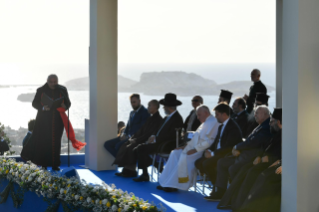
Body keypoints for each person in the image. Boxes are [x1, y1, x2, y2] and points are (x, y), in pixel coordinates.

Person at [218, 108, 282, 210]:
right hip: (266, 162)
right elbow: (267, 148)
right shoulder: (276, 133)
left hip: (275, 165)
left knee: (257, 175)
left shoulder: (283, 135)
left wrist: (272, 160)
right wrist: (260, 157)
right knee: (245, 170)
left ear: (279, 122)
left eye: (272, 121)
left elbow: (283, 154)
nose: (270, 124)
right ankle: (236, 204)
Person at [205, 106, 272, 201]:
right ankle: (220, 192)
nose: (255, 115)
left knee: (233, 168)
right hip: (244, 154)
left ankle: (236, 195)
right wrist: (238, 148)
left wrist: (237, 147)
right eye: (255, 113)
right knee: (222, 162)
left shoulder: (266, 127)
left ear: (265, 115)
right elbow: (250, 141)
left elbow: (254, 142)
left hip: (252, 157)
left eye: (257, 113)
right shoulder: (260, 126)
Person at [157, 105, 219, 192]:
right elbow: (195, 138)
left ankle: (172, 185)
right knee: (174, 153)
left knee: (184, 157)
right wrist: (185, 146)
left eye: (199, 115)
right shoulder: (206, 122)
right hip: (193, 148)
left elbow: (210, 141)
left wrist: (195, 149)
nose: (198, 117)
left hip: (201, 151)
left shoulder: (213, 122)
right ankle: (165, 182)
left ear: (206, 113)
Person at [21, 74, 71, 171]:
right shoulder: (41, 90)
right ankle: (43, 164)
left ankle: (55, 165)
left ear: (57, 81)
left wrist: (65, 106)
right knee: (43, 143)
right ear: (47, 81)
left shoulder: (62, 89)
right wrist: (43, 107)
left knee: (56, 142)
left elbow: (68, 103)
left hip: (58, 121)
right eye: (51, 82)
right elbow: (34, 103)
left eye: (55, 82)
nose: (53, 84)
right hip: (43, 121)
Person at [133, 93, 184, 182]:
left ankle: (149, 171)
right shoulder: (167, 117)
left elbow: (172, 135)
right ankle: (156, 166)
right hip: (159, 142)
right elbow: (158, 130)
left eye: (164, 106)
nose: (163, 108)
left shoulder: (177, 119)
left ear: (169, 107)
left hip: (166, 145)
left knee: (140, 149)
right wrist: (153, 136)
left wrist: (156, 139)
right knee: (138, 148)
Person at [195, 103, 242, 192]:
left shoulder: (233, 127)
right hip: (218, 152)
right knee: (198, 162)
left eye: (217, 114)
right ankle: (216, 184)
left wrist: (212, 154)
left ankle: (219, 189)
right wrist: (209, 150)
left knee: (207, 164)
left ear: (224, 114)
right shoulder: (221, 126)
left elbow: (228, 147)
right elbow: (216, 142)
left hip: (226, 154)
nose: (215, 117)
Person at [113, 100, 163, 177]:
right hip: (141, 139)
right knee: (125, 145)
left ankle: (132, 171)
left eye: (149, 106)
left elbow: (148, 134)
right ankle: (127, 169)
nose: (148, 108)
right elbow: (141, 131)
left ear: (155, 107)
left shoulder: (158, 119)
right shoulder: (150, 118)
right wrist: (133, 138)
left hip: (146, 141)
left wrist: (136, 140)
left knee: (131, 147)